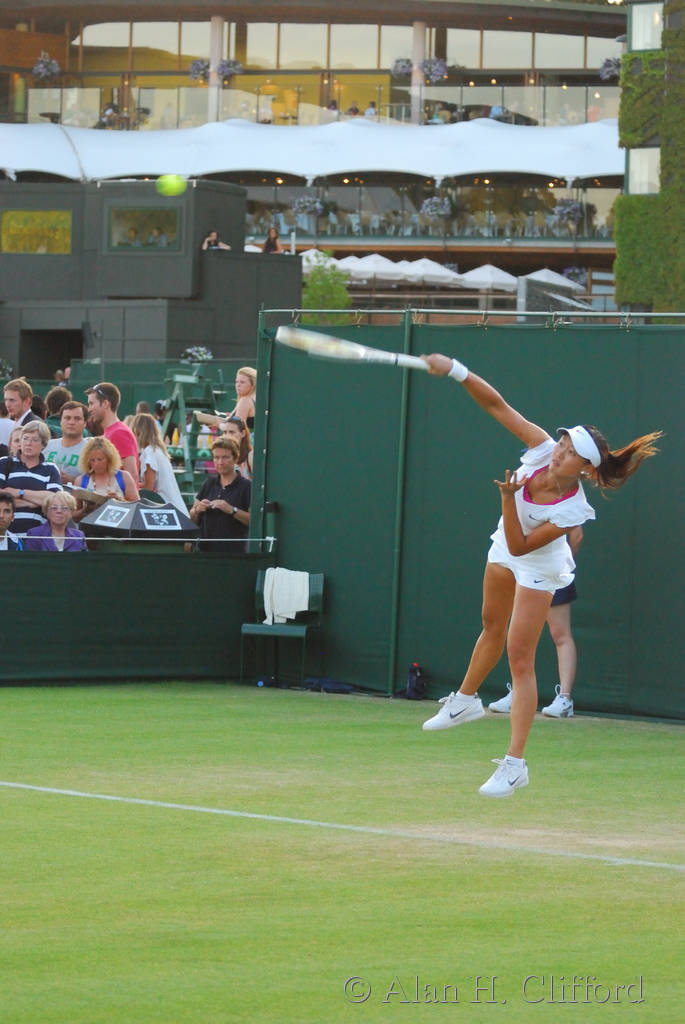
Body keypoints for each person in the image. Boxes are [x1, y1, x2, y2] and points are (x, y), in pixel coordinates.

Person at [419, 351, 661, 798]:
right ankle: (466, 701)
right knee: (490, 624)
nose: (559, 454)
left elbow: (521, 547)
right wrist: (455, 369)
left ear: (586, 470)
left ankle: (515, 766)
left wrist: (508, 500)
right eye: (562, 446)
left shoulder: (572, 510)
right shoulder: (542, 449)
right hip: (505, 543)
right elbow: (497, 406)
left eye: (570, 454)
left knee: (520, 658)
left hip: (538, 564)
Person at [488, 526, 583, 718]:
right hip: (525, 571)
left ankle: (565, 700)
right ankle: (519, 694)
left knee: (560, 635)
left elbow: (577, 535)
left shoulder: (563, 506)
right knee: (521, 637)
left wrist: (562, 566)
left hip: (553, 570)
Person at [0, 421, 63, 536]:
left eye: (35, 440)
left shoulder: (51, 469)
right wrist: (33, 503)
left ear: (43, 444)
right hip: (5, 537)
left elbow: (55, 502)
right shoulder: (4, 463)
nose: (28, 443)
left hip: (38, 538)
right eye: (25, 438)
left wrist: (20, 492)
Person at [189, 436, 250, 552]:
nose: (220, 462)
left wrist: (232, 510)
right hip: (204, 552)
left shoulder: (246, 486)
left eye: (225, 457)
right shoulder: (209, 483)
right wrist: (198, 510)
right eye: (216, 457)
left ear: (236, 459)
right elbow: (192, 517)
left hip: (234, 554)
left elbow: (254, 521)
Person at [72, 436, 139, 520]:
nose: (96, 464)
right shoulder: (81, 481)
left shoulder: (124, 477)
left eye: (100, 459)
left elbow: (137, 508)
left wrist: (119, 501)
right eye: (92, 460)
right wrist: (86, 510)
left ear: (109, 459)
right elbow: (73, 516)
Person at [130, 412, 185, 511]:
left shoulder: (149, 452)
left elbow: (148, 487)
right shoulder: (157, 450)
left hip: (169, 509)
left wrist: (128, 484)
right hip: (175, 508)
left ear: (139, 431)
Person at [85, 381, 139, 478]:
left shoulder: (119, 433)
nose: (89, 409)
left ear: (105, 403)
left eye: (91, 404)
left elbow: (132, 475)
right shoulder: (112, 431)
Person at [43, 401, 89, 484]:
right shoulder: (47, 445)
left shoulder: (91, 450)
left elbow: (99, 482)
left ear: (85, 423)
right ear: (60, 421)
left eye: (77, 418)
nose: (71, 422)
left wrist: (73, 481)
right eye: (67, 418)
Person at [1, 377, 40, 446]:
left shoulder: (35, 426)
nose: (7, 404)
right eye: (6, 400)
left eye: (12, 400)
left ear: (27, 401)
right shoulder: (18, 423)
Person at [222, 414, 253, 480]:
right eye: (225, 432)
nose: (227, 436)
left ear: (243, 433)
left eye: (232, 432)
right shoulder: (223, 457)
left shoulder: (251, 456)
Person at [230, 366, 257, 431]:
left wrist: (219, 424)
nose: (238, 385)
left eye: (242, 382)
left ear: (252, 384)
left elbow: (236, 429)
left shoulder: (245, 400)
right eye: (236, 382)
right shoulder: (256, 398)